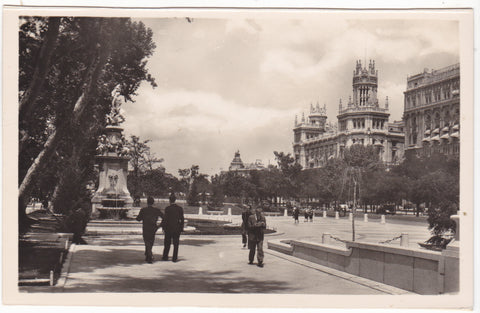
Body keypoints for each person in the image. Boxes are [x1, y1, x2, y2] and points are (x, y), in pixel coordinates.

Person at [136, 196, 163, 263]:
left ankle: (149, 255)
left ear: (147, 202)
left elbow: (138, 219)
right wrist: (159, 225)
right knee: (151, 242)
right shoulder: (157, 210)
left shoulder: (143, 210)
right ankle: (148, 255)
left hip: (146, 228)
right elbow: (164, 217)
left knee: (147, 242)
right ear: (153, 202)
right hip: (153, 228)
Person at [162, 193, 185, 262]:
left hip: (168, 228)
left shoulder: (167, 209)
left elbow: (165, 219)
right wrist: (181, 228)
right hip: (176, 228)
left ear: (169, 200)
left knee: (167, 243)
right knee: (176, 244)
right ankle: (174, 258)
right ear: (175, 200)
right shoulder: (180, 209)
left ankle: (165, 256)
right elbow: (182, 219)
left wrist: (163, 227)